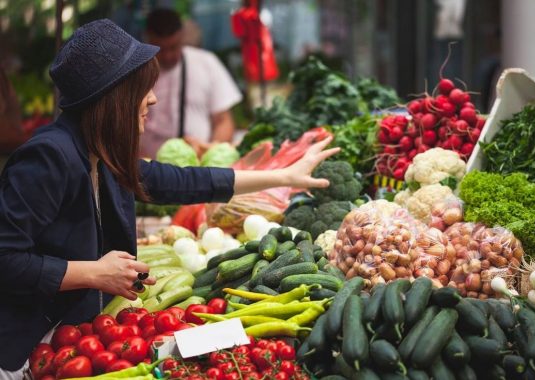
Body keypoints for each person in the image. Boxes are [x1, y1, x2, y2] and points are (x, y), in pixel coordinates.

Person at [0, 19, 337, 378]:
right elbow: (5, 257)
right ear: (114, 97)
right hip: (26, 352)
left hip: (71, 343)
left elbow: (185, 180)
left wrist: (284, 175)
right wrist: (95, 273)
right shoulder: (48, 158)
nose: (153, 98)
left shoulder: (102, 155)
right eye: (142, 88)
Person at [140, 8, 242, 159]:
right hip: (147, 168)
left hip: (198, 165)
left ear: (182, 36)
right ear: (148, 39)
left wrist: (210, 156)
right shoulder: (137, 71)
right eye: (160, 49)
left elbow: (223, 121)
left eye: (173, 47)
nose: (168, 56)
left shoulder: (206, 63)